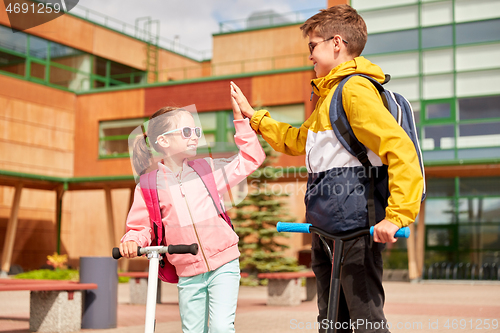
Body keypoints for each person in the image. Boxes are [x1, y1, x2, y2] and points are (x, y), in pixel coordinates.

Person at [230, 4, 424, 333]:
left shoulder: (354, 91)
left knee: (365, 323)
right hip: (327, 227)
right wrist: (254, 116)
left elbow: (399, 148)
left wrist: (396, 216)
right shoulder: (329, 98)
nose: (310, 56)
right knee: (332, 321)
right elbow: (296, 141)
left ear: (336, 43)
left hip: (355, 228)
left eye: (312, 46)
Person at [119, 86, 266, 333]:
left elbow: (251, 159)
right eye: (186, 131)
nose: (195, 136)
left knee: (221, 328)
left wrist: (240, 120)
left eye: (196, 130)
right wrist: (132, 240)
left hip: (224, 262)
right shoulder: (149, 185)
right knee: (193, 331)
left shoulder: (207, 169)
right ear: (163, 141)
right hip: (187, 270)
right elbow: (140, 227)